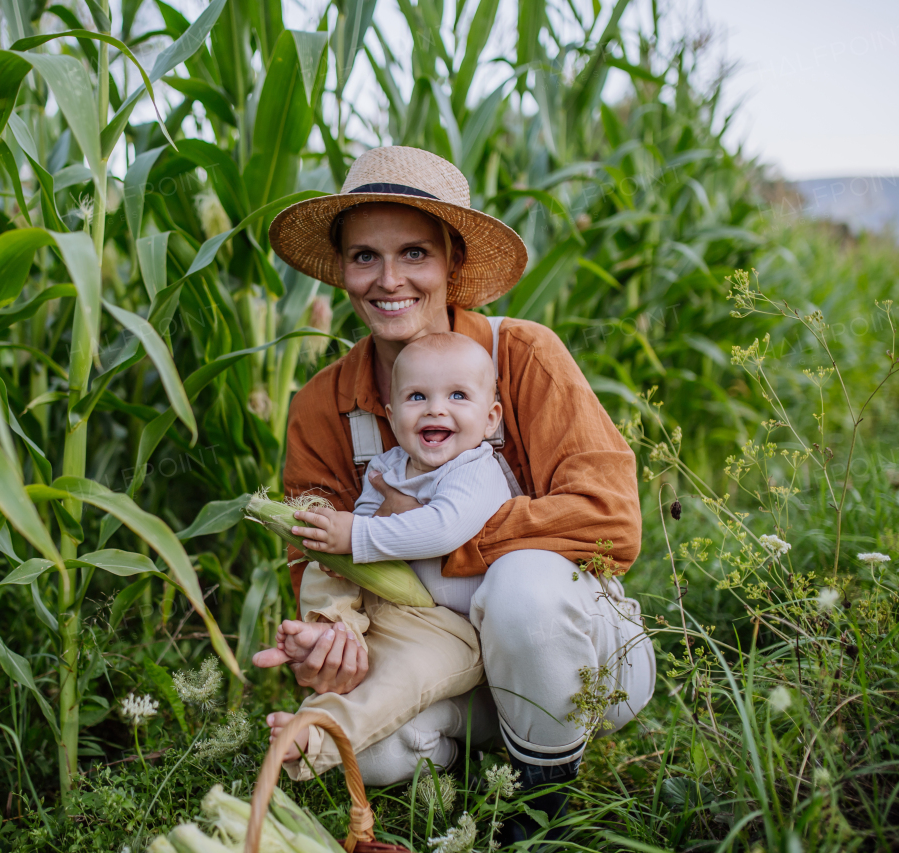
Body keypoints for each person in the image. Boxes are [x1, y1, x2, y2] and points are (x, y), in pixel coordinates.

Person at [255, 146, 656, 839]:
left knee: (521, 583)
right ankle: (500, 752)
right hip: (442, 661)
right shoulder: (322, 407)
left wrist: (445, 535)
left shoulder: (523, 356)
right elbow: (322, 562)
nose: (389, 280)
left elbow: (610, 521)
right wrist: (332, 636)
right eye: (364, 257)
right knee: (370, 754)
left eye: (414, 253)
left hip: (578, 656)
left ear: (450, 264)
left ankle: (540, 807)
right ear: (344, 270)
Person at [253, 332, 511, 782]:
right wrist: (344, 547)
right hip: (391, 607)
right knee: (325, 559)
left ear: (490, 419)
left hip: (452, 630)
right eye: (417, 396)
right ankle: (329, 629)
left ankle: (316, 735)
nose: (435, 408)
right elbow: (361, 555)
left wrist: (358, 533)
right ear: (392, 417)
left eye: (457, 395)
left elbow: (442, 528)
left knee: (399, 676)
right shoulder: (388, 467)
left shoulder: (476, 469)